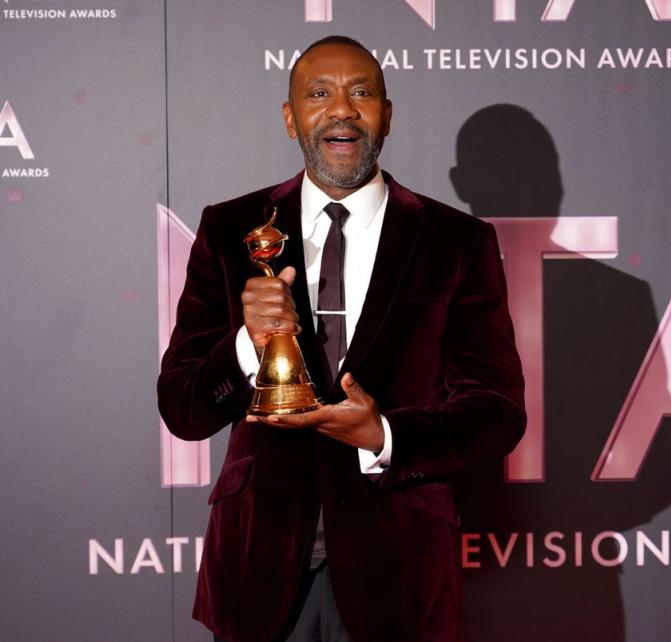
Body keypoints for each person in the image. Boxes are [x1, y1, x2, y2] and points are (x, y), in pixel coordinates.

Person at [157, 35, 526, 642]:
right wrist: (247, 342)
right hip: (259, 572)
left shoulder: (457, 241)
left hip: (401, 576)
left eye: (361, 94)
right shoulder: (231, 230)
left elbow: (498, 413)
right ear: (289, 117)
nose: (342, 110)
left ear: (387, 113)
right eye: (319, 93)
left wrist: (384, 434)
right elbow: (183, 409)